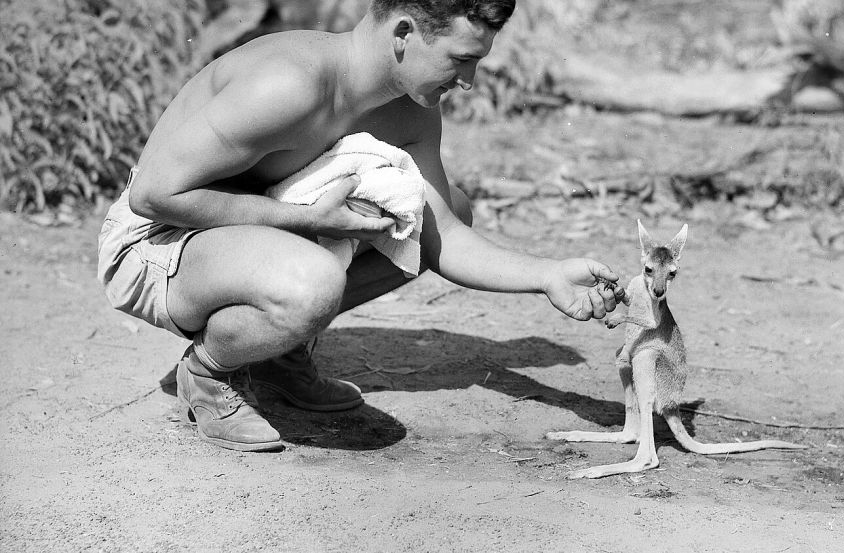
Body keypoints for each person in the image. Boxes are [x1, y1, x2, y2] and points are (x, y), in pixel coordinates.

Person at [97, 0, 621, 452]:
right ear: (403, 34)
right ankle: (210, 371)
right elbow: (154, 195)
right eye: (461, 60)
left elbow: (445, 237)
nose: (468, 80)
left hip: (246, 240)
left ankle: (276, 352)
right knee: (313, 283)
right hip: (153, 244)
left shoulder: (411, 113)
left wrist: (548, 274)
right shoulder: (288, 82)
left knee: (446, 208)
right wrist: (306, 221)